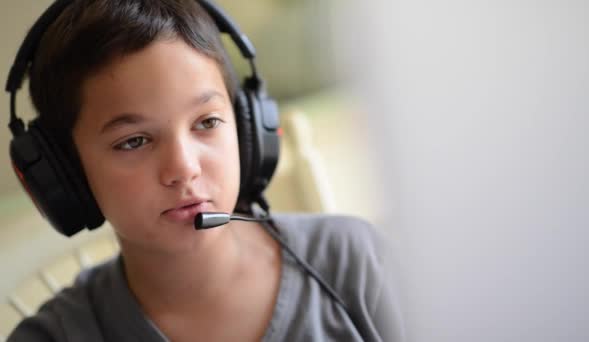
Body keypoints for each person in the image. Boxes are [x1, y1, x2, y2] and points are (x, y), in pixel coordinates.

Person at [6, 0, 405, 341]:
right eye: (134, 141)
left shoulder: (353, 262)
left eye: (207, 122)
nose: (184, 168)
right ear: (66, 175)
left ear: (247, 128)